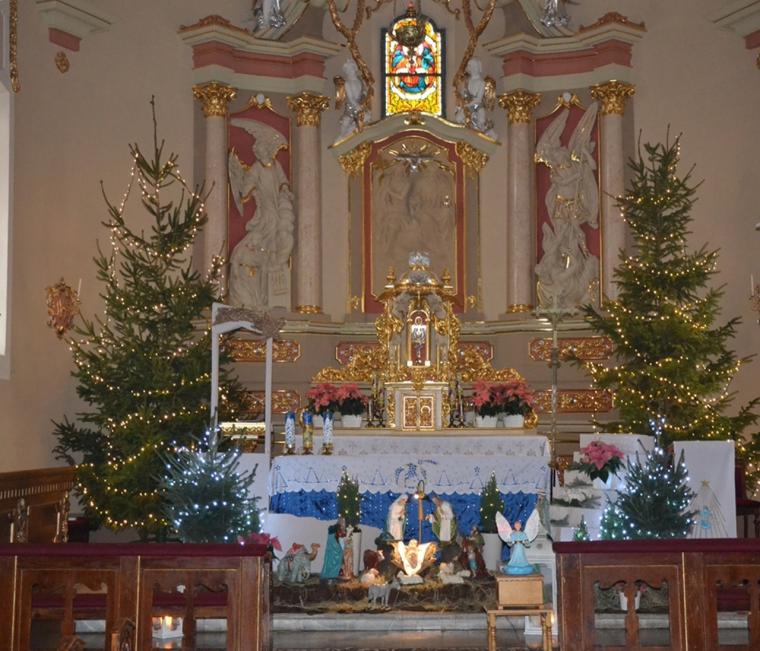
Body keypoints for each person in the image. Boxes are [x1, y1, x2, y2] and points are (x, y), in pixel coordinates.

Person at [228, 120, 295, 310]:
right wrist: (246, 190)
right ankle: (264, 279)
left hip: (277, 207)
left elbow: (282, 181)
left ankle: (272, 272)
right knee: (266, 234)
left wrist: (285, 190)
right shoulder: (256, 168)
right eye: (259, 151)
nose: (261, 153)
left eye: (263, 150)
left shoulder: (275, 165)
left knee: (276, 239)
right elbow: (247, 186)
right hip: (265, 210)